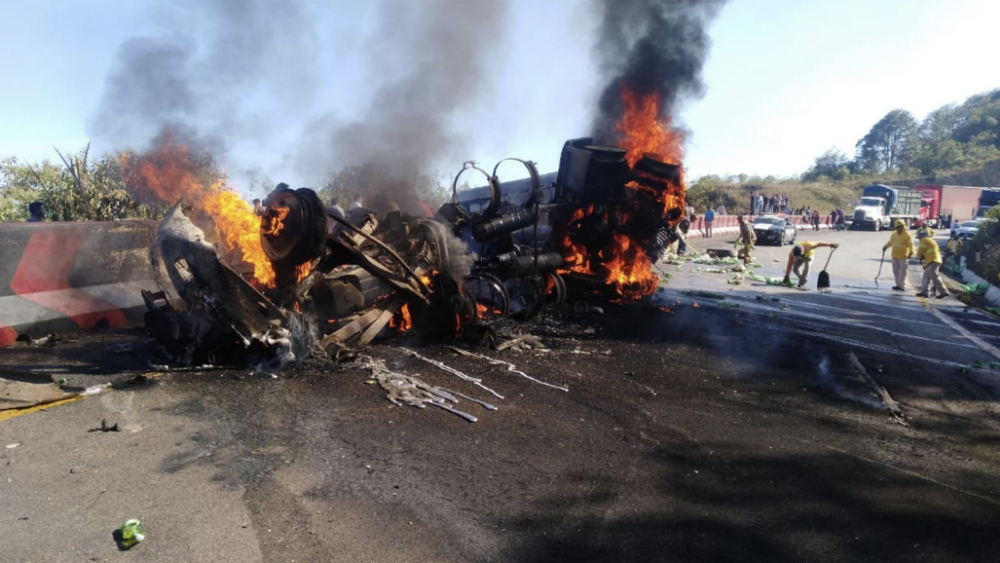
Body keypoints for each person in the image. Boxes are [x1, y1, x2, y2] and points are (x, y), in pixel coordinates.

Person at [915, 229, 949, 299]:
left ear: (921, 237)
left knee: (934, 276)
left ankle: (943, 291)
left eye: (919, 238)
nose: (919, 240)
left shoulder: (924, 240)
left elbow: (920, 249)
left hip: (933, 260)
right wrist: (925, 264)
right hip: (933, 260)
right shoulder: (931, 241)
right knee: (926, 276)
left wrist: (918, 256)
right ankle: (925, 292)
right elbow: (929, 253)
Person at [882, 219, 914, 291]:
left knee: (903, 272)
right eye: (897, 227)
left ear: (903, 227)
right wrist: (885, 246)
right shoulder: (894, 234)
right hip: (895, 256)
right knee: (896, 271)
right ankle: (898, 285)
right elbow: (890, 242)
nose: (898, 229)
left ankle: (902, 286)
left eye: (899, 227)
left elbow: (911, 245)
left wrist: (911, 252)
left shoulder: (907, 235)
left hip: (903, 256)